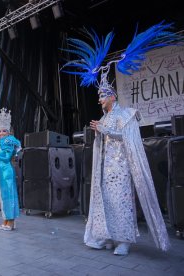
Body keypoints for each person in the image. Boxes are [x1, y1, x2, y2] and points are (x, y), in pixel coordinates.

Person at [61, 23, 175, 255]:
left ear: (112, 96)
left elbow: (126, 138)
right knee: (107, 204)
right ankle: (108, 236)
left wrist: (106, 132)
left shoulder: (126, 114)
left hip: (121, 169)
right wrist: (98, 134)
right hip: (105, 170)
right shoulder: (103, 119)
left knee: (122, 203)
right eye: (99, 96)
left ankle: (124, 240)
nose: (100, 100)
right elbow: (102, 143)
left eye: (103, 96)